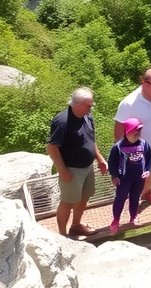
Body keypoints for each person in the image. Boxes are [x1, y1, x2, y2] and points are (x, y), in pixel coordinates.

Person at [46, 87, 109, 237]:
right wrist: (63, 171)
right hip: (71, 170)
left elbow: (91, 140)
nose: (91, 108)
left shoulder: (87, 117)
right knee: (68, 201)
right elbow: (51, 147)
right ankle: (62, 235)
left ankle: (76, 226)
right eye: (89, 105)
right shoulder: (62, 121)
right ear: (78, 104)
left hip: (88, 167)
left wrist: (99, 159)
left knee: (84, 197)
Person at [115, 68, 151, 205]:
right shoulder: (128, 104)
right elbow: (118, 132)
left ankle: (146, 193)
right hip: (137, 152)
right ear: (145, 83)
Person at [107, 117, 151, 234]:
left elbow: (149, 158)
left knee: (135, 197)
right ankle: (116, 220)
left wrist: (147, 170)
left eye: (139, 131)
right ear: (127, 132)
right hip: (124, 179)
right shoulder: (118, 147)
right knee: (120, 199)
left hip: (139, 178)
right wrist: (114, 176)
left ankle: (133, 217)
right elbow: (112, 163)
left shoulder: (144, 144)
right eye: (135, 131)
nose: (137, 134)